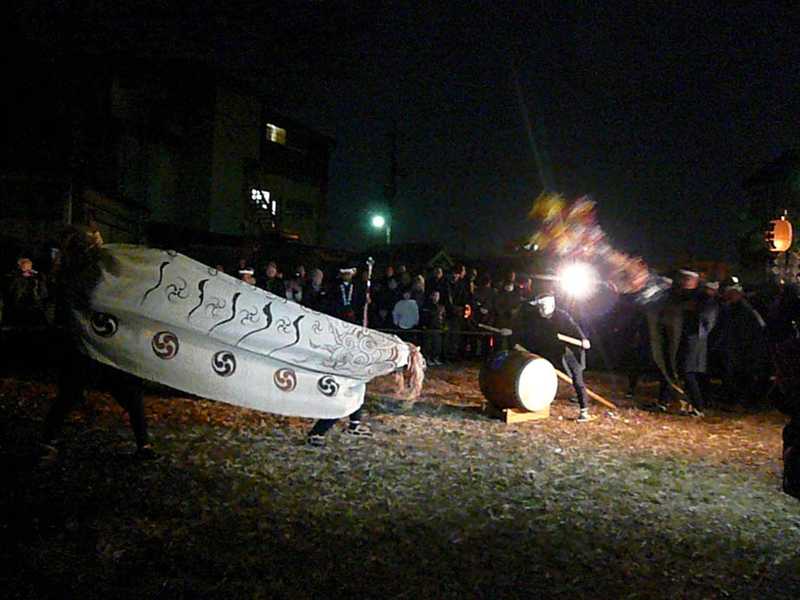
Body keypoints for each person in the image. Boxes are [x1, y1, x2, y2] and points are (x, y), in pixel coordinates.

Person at [41, 226, 155, 460]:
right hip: (88, 345)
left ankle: (143, 444)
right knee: (73, 394)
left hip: (100, 343)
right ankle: (47, 440)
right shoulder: (77, 273)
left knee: (126, 394)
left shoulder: (80, 270)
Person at [523, 293, 594, 422]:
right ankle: (538, 404)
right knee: (541, 376)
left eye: (542, 306)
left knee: (577, 381)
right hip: (550, 351)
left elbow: (574, 327)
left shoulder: (562, 316)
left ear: (550, 305)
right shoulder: (537, 317)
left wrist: (583, 339)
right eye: (539, 307)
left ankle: (584, 411)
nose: (541, 310)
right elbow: (530, 332)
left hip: (569, 351)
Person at [678, 279, 719, 416]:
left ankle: (698, 406)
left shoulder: (708, 304)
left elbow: (704, 324)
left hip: (696, 340)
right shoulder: (705, 302)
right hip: (696, 340)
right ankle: (694, 405)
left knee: (688, 372)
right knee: (690, 373)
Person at [421, 290, 445, 365]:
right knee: (428, 345)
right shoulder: (427, 306)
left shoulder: (441, 307)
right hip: (429, 327)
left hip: (438, 328)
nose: (436, 297)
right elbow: (424, 317)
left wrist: (443, 326)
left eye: (437, 296)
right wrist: (424, 325)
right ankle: (427, 358)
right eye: (435, 295)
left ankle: (435, 358)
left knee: (437, 345)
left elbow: (443, 317)